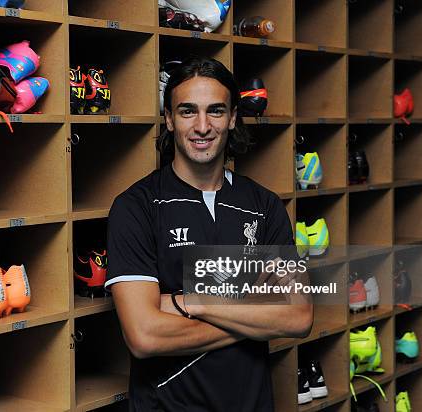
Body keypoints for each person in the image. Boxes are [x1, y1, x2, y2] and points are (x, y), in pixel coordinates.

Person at [105, 56, 313, 411]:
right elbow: (144, 336)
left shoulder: (263, 206)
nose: (202, 126)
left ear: (232, 117)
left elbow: (298, 316)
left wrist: (192, 301)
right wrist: (254, 315)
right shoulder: (136, 207)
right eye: (188, 112)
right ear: (169, 120)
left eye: (215, 111)